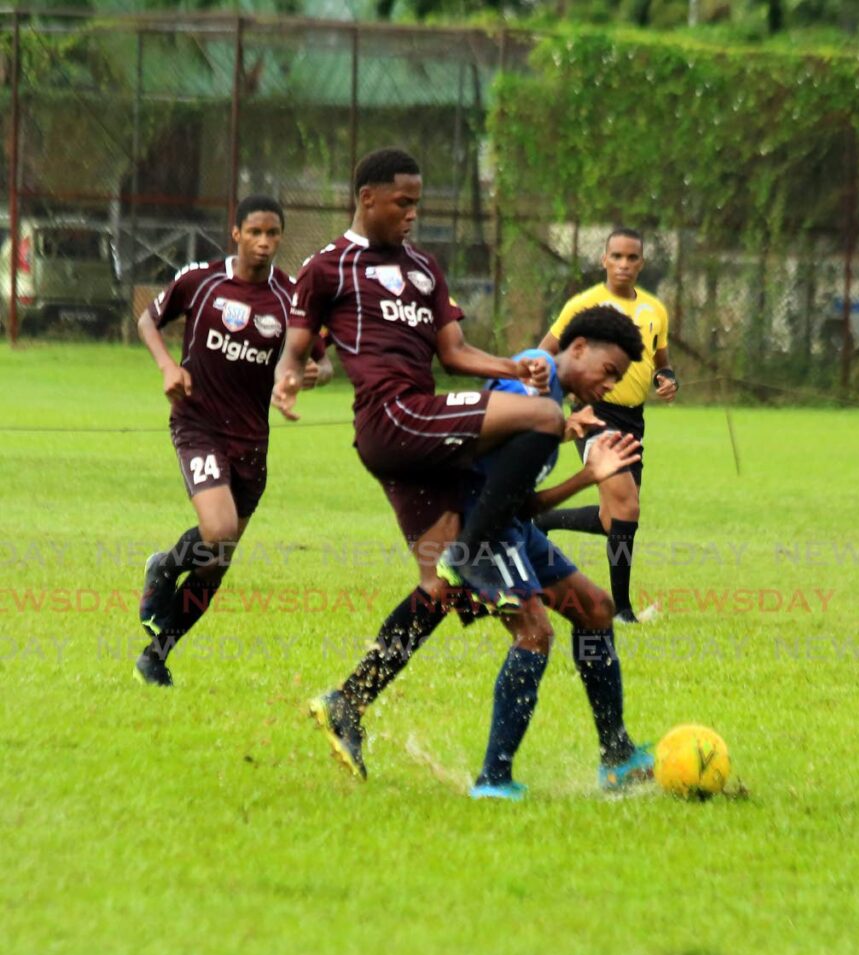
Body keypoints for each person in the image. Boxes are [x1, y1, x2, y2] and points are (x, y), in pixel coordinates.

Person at [272, 147, 563, 778]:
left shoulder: (426, 269)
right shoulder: (327, 267)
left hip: (421, 432)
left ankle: (348, 701)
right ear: (367, 197)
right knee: (546, 419)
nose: (411, 214)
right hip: (393, 417)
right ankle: (489, 530)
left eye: (417, 204)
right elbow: (297, 348)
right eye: (402, 202)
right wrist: (289, 377)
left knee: (450, 591)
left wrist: (512, 367)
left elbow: (454, 351)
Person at [134, 195, 329, 686]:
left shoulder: (290, 300)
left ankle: (156, 655)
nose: (265, 243)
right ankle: (164, 566)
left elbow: (322, 361)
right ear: (236, 233)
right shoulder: (201, 282)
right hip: (198, 424)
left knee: (216, 565)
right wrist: (167, 367)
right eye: (256, 232)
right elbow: (147, 319)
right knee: (218, 531)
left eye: (273, 234)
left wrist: (310, 376)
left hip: (251, 442)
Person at [467, 305, 655, 800]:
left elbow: (524, 502)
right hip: (476, 528)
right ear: (576, 349)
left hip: (510, 524)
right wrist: (588, 474)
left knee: (595, 609)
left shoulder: (553, 404)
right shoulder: (531, 378)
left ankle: (616, 756)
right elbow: (487, 465)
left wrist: (573, 447)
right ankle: (493, 778)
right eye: (608, 371)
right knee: (534, 632)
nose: (610, 385)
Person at [535, 227, 678, 624]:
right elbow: (542, 354)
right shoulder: (583, 305)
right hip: (595, 413)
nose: (624, 264)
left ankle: (540, 520)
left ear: (641, 264)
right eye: (617, 256)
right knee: (628, 506)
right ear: (604, 260)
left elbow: (660, 361)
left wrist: (668, 379)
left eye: (632, 258)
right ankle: (623, 612)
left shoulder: (654, 310)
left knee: (612, 519)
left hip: (634, 419)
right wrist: (551, 399)